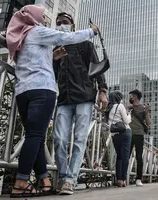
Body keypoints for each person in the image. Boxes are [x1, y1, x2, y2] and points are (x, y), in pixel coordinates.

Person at [6, 5, 98, 198]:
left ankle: (48, 181)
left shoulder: (21, 35)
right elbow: (66, 39)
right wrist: (92, 31)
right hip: (45, 91)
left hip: (25, 91)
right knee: (42, 137)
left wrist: (53, 57)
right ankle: (21, 182)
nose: (48, 21)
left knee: (38, 137)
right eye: (45, 17)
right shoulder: (39, 32)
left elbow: (35, 60)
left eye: (64, 22)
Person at [51, 12, 108, 195]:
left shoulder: (85, 44)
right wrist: (54, 59)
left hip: (84, 96)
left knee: (80, 140)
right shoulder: (56, 47)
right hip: (64, 99)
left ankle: (69, 180)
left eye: (65, 22)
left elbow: (97, 67)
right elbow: (52, 73)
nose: (61, 25)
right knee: (59, 139)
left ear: (73, 26)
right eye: (58, 23)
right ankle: (64, 175)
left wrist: (102, 91)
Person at [107, 91, 132, 187]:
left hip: (114, 135)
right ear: (119, 98)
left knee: (119, 156)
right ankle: (123, 179)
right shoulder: (120, 106)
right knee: (125, 156)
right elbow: (126, 121)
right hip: (125, 132)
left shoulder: (108, 108)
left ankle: (118, 180)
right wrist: (129, 115)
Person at [127, 89, 150, 186]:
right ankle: (123, 177)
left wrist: (147, 112)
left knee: (139, 157)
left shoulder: (143, 108)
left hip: (139, 134)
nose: (130, 97)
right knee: (126, 156)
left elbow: (148, 124)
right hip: (129, 133)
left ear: (136, 96)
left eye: (131, 96)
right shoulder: (129, 107)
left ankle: (138, 179)